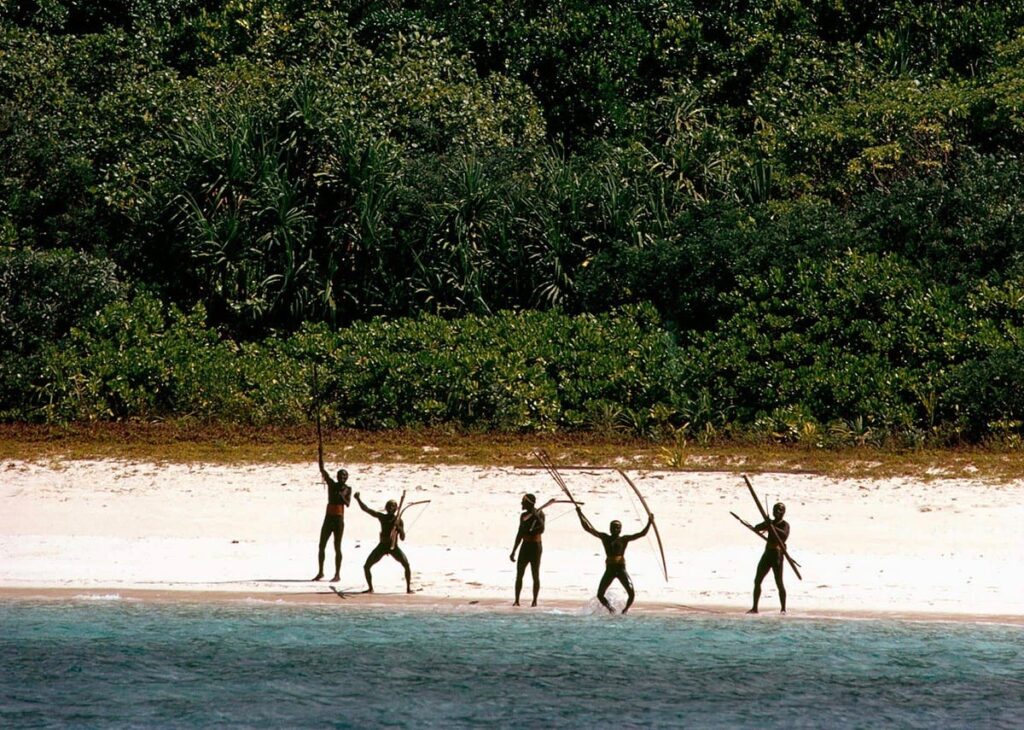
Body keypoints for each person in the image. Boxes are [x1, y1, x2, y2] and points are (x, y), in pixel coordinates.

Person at [576, 507, 653, 614]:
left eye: (617, 528)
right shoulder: (605, 537)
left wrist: (650, 523)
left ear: (620, 529)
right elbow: (587, 528)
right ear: (610, 528)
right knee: (600, 594)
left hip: (621, 569)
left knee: (631, 594)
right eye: (613, 527)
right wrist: (579, 513)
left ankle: (625, 610)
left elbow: (642, 534)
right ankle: (610, 609)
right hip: (610, 569)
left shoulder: (624, 539)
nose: (615, 529)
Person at [355, 493, 412, 594]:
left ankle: (408, 589)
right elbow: (367, 510)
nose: (391, 508)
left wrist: (399, 529)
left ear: (396, 509)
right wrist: (358, 499)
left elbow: (402, 538)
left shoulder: (399, 521)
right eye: (389, 506)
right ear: (386, 508)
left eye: (393, 507)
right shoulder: (382, 517)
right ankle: (370, 588)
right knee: (366, 566)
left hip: (393, 547)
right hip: (382, 546)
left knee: (406, 565)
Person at [312, 448, 351, 582]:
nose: (342, 478)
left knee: (337, 546)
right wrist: (320, 454)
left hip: (339, 518)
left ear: (347, 478)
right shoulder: (331, 484)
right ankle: (321, 572)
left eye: (344, 476)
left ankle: (337, 574)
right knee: (322, 545)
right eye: (340, 475)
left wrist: (341, 495)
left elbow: (347, 503)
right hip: (328, 517)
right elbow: (323, 470)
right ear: (337, 476)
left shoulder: (347, 489)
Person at [748, 502, 790, 614]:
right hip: (767, 554)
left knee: (779, 582)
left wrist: (772, 526)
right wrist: (767, 523)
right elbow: (757, 528)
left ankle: (783, 609)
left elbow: (784, 536)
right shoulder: (770, 523)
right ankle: (754, 608)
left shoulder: (785, 525)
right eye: (775, 509)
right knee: (757, 581)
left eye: (780, 510)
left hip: (777, 555)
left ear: (783, 512)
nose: (777, 512)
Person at [510, 493, 545, 607]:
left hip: (535, 547)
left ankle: (534, 600)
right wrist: (514, 550)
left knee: (535, 574)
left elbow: (542, 529)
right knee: (519, 573)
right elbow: (520, 533)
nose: (521, 504)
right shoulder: (523, 516)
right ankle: (517, 600)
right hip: (525, 546)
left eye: (523, 502)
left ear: (528, 504)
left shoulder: (540, 514)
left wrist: (536, 516)